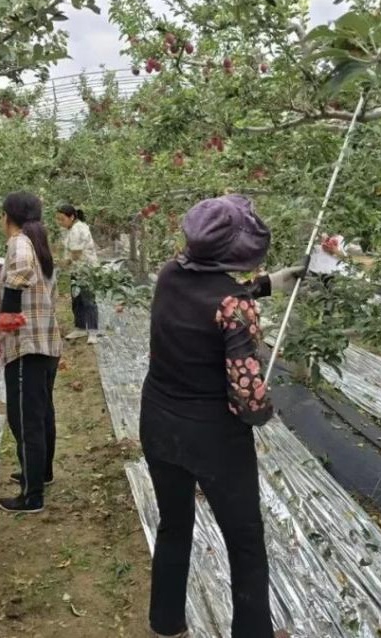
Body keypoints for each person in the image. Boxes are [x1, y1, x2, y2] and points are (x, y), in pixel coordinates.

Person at [140, 194, 307, 638]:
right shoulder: (235, 308)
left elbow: (211, 297)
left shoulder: (169, 275)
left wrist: (270, 283)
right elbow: (248, 396)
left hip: (158, 421)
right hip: (213, 437)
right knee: (245, 541)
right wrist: (264, 410)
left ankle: (166, 621)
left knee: (174, 524)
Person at [0, 191, 63, 514]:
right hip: (46, 344)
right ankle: (41, 473)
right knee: (42, 413)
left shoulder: (20, 242)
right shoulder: (39, 244)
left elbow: (20, 272)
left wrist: (7, 315)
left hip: (27, 347)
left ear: (8, 216)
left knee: (24, 420)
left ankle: (31, 495)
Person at [55, 203, 100, 345]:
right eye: (58, 219)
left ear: (72, 217)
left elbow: (75, 254)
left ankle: (92, 331)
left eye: (62, 219)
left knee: (88, 300)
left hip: (86, 270)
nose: (60, 222)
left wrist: (61, 264)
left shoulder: (77, 229)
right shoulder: (72, 228)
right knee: (77, 299)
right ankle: (80, 327)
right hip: (77, 270)